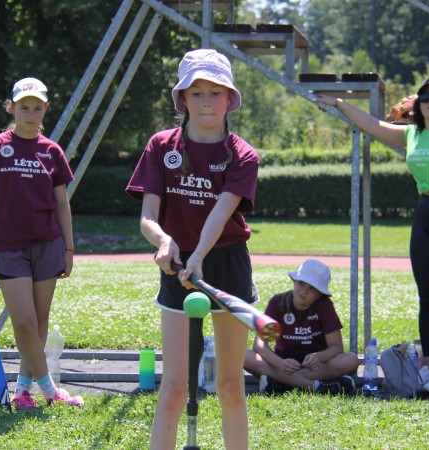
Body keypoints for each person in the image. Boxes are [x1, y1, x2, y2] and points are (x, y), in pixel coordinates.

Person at [125, 49, 260, 450]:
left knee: (231, 385)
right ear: (181, 98)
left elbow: (220, 215)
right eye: (196, 92)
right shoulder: (160, 146)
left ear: (230, 99)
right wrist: (165, 241)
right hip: (177, 265)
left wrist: (199, 253)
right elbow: (148, 217)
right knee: (175, 388)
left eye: (215, 92)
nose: (206, 101)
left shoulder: (242, 155)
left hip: (227, 264)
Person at [316, 76, 429, 396]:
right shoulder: (412, 133)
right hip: (424, 214)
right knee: (424, 295)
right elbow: (373, 125)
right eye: (426, 96)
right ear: (417, 102)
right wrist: (340, 104)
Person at [0, 77, 83, 410]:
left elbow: (63, 204)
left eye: (37, 108)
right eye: (23, 108)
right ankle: (50, 390)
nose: (30, 115)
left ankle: (21, 391)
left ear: (45, 109)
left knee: (40, 321)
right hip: (9, 248)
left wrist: (69, 248)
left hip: (49, 244)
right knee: (24, 322)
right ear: (12, 108)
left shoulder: (52, 151)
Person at [243, 259, 359, 395]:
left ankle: (281, 384)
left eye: (312, 288)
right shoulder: (277, 302)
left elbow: (336, 347)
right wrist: (280, 363)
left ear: (319, 294)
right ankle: (317, 387)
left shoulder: (324, 305)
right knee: (243, 355)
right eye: (301, 283)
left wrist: (319, 357)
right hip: (283, 363)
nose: (304, 290)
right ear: (294, 281)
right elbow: (259, 345)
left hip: (315, 366)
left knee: (351, 359)